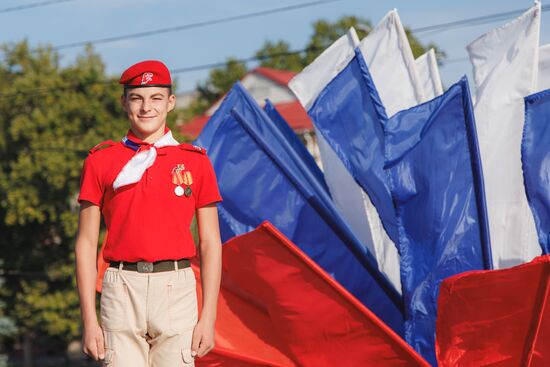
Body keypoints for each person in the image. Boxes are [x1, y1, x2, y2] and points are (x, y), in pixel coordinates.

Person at [74, 60, 223, 366]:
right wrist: (89, 320)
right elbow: (86, 243)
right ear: (124, 103)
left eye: (156, 98)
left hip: (177, 288)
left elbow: (210, 243)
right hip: (120, 286)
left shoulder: (195, 162)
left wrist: (208, 317)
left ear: (170, 102)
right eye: (137, 98)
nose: (146, 108)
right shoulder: (101, 161)